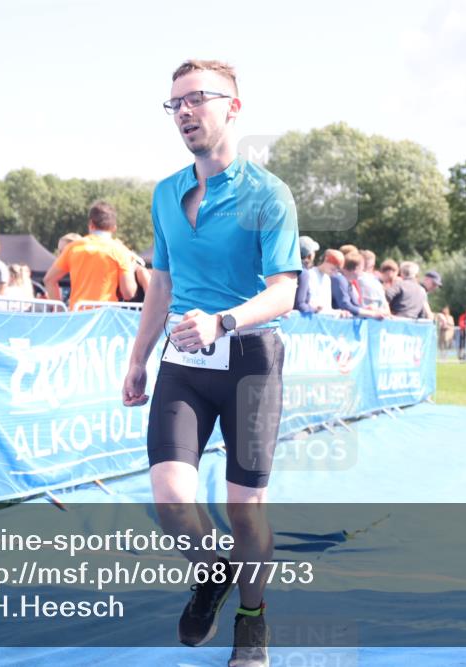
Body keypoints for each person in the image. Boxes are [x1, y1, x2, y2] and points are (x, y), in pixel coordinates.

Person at [121, 59, 300, 667]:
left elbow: (285, 292)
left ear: (234, 107)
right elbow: (161, 287)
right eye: (175, 103)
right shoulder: (167, 193)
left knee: (244, 510)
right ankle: (213, 568)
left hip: (251, 357)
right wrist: (138, 359)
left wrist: (223, 320)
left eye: (199, 98)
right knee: (172, 500)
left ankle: (253, 621)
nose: (186, 111)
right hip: (185, 360)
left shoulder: (269, 194)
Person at [43, 201, 139, 310]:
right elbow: (128, 293)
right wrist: (130, 270)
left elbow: (49, 280)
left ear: (91, 224)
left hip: (78, 316)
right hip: (105, 317)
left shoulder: (73, 247)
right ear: (114, 228)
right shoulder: (120, 250)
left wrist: (59, 311)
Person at [333, 253, 385, 319]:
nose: (362, 272)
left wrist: (367, 309)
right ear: (357, 268)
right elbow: (345, 305)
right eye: (362, 269)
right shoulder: (339, 279)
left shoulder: (348, 282)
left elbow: (355, 305)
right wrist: (372, 314)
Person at [294, 236, 320, 314]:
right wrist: (314, 310)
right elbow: (300, 304)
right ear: (309, 255)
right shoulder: (303, 272)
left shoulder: (289, 268)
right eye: (313, 252)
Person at [358, 249, 389, 315]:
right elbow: (386, 310)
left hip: (360, 315)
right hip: (378, 316)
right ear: (373, 265)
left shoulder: (353, 279)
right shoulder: (376, 283)